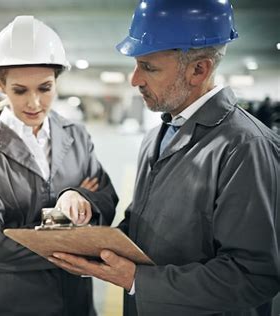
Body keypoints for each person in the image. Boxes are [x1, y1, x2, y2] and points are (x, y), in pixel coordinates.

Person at [48, 1, 280, 315]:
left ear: (199, 70)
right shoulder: (158, 136)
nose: (134, 79)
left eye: (149, 67)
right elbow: (141, 229)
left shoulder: (245, 146)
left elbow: (253, 276)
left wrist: (137, 280)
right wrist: (86, 236)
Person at [0, 16, 118, 316]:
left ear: (57, 80)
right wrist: (71, 231)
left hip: (75, 301)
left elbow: (106, 200)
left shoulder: (76, 135)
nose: (34, 102)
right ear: (0, 84)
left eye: (45, 88)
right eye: (20, 90)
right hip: (14, 302)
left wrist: (81, 196)